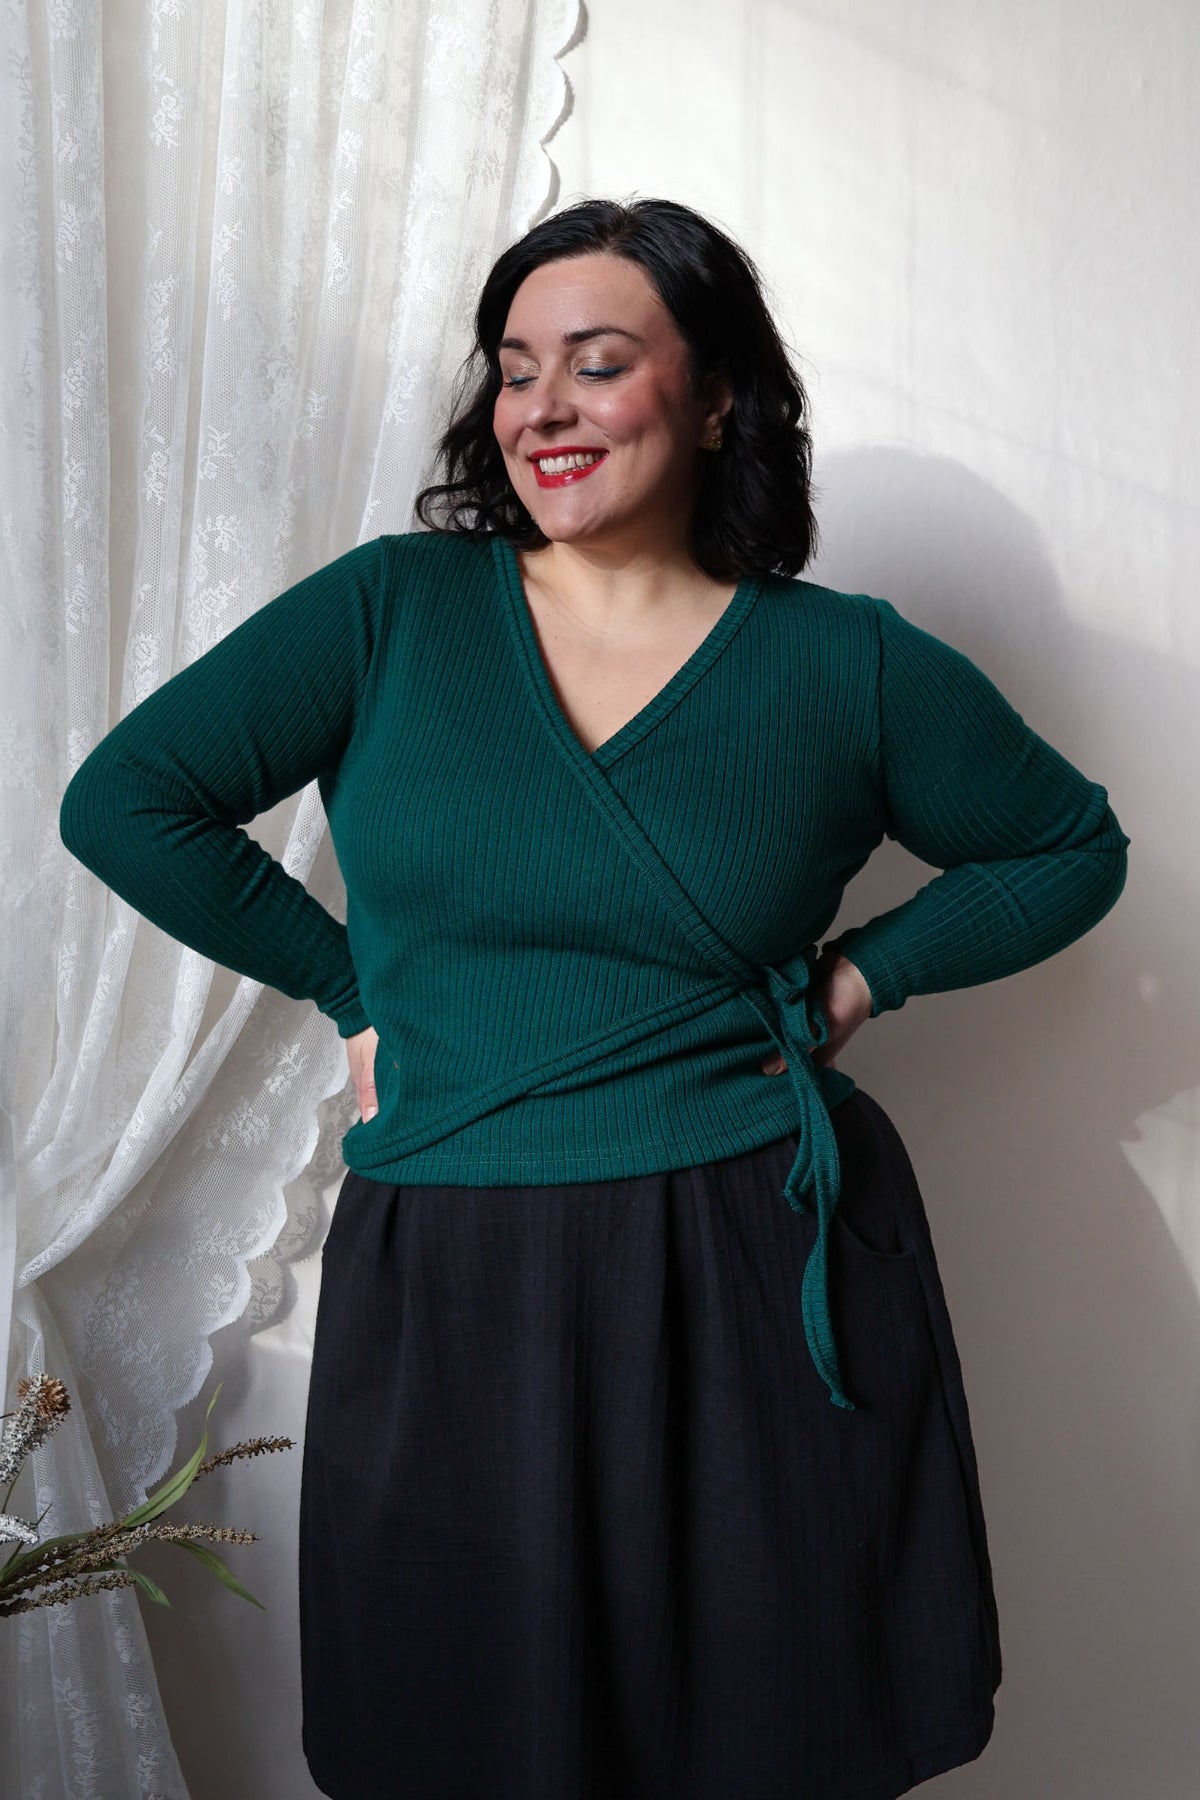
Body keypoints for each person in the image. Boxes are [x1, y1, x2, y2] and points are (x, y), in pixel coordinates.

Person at [58, 196, 1129, 1800]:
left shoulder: (846, 663)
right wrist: (355, 992)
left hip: (747, 1254)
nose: (543, 406)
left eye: (598, 362)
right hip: (456, 1257)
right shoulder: (392, 610)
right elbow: (128, 801)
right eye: (514, 368)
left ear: (716, 397)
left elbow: (1067, 846)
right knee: (464, 1729)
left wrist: (865, 976)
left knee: (754, 1733)